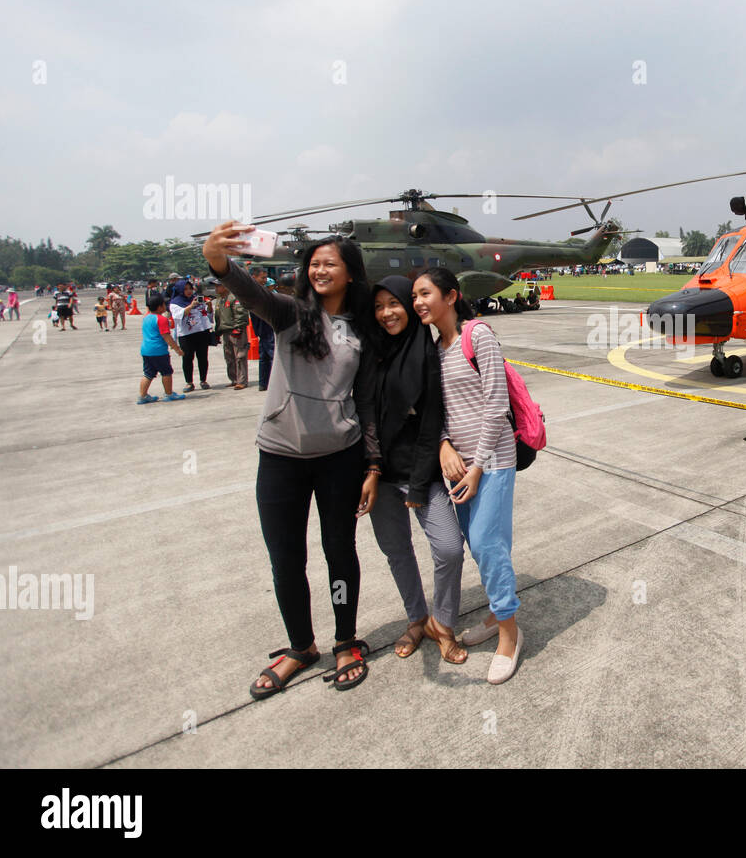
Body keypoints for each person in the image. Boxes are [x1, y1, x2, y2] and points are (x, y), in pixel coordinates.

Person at [202, 222, 381, 698]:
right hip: (280, 456)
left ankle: (346, 641)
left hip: (339, 458)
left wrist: (373, 466)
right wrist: (218, 261)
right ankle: (301, 647)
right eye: (314, 263)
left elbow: (365, 404)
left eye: (330, 263)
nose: (319, 269)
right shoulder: (292, 314)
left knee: (339, 552)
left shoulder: (363, 329)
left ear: (349, 274)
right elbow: (252, 294)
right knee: (286, 558)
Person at [412, 266, 523, 685]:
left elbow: (496, 406)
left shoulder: (478, 336)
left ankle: (510, 635)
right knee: (483, 548)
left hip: (492, 461)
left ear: (451, 296)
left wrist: (476, 467)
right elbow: (434, 411)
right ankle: (497, 614)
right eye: (416, 296)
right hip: (457, 464)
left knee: (486, 543)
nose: (419, 302)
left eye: (426, 294)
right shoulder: (433, 348)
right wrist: (443, 445)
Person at [366, 275, 468, 664]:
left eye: (394, 303)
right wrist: (370, 469)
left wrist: (421, 486)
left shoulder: (427, 354)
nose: (387, 313)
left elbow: (431, 423)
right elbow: (365, 416)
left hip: (417, 474)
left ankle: (442, 623)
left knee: (448, 548)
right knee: (397, 551)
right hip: (378, 475)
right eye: (378, 306)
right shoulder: (371, 352)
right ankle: (416, 618)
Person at [137, 294, 187, 404]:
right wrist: (177, 348)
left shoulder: (146, 318)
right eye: (164, 304)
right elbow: (166, 336)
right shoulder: (162, 319)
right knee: (166, 372)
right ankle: (168, 394)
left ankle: (142, 396)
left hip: (146, 350)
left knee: (148, 374)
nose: (166, 306)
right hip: (159, 351)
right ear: (160, 307)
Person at [169, 279, 214, 391]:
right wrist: (190, 306)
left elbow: (206, 315)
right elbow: (178, 316)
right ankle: (189, 382)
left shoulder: (197, 299)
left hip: (201, 332)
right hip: (186, 334)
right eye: (185, 289)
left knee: (203, 357)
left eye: (190, 288)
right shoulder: (175, 302)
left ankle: (203, 380)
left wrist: (208, 306)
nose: (189, 291)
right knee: (188, 358)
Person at [213, 277, 250, 390]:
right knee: (229, 356)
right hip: (225, 331)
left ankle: (242, 380)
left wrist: (238, 328)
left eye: (218, 285)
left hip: (235, 331)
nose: (216, 288)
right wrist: (217, 331)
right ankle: (234, 379)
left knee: (240, 356)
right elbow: (218, 317)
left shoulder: (234, 297)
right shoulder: (220, 299)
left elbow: (241, 313)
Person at [249, 267, 276, 392]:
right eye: (263, 278)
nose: (265, 280)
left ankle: (263, 383)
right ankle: (271, 383)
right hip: (265, 327)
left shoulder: (258, 291)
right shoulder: (256, 292)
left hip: (264, 328)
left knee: (264, 357)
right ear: (254, 277)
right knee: (270, 357)